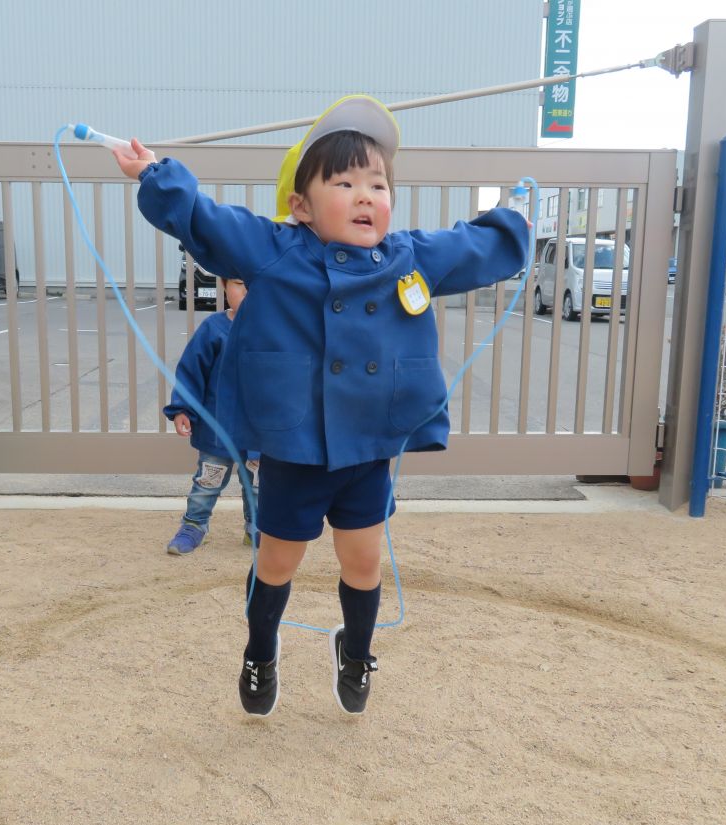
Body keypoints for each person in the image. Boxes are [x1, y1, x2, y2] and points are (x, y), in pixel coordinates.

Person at [114, 94, 529, 717]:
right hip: (295, 449)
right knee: (278, 559)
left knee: (362, 561)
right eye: (344, 181)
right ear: (301, 205)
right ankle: (260, 650)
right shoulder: (275, 250)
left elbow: (473, 247)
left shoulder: (408, 257)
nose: (366, 194)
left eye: (377, 182)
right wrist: (155, 174)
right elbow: (204, 219)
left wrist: (516, 217)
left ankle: (357, 650)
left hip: (368, 449)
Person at [163, 276, 259, 555]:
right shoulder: (213, 329)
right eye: (240, 283)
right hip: (219, 428)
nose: (249, 291)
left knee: (259, 487)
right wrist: (182, 408)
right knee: (207, 482)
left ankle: (257, 527)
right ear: (224, 286)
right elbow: (191, 372)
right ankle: (195, 525)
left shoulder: (276, 331)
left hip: (260, 434)